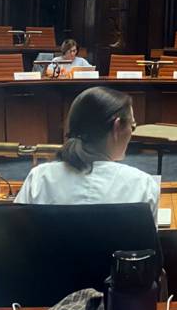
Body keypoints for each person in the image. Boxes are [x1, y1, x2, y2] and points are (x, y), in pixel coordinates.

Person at [15, 87, 159, 215]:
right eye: (132, 126)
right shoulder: (143, 185)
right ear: (117, 127)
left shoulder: (39, 179)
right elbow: (147, 244)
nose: (131, 133)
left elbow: (16, 237)